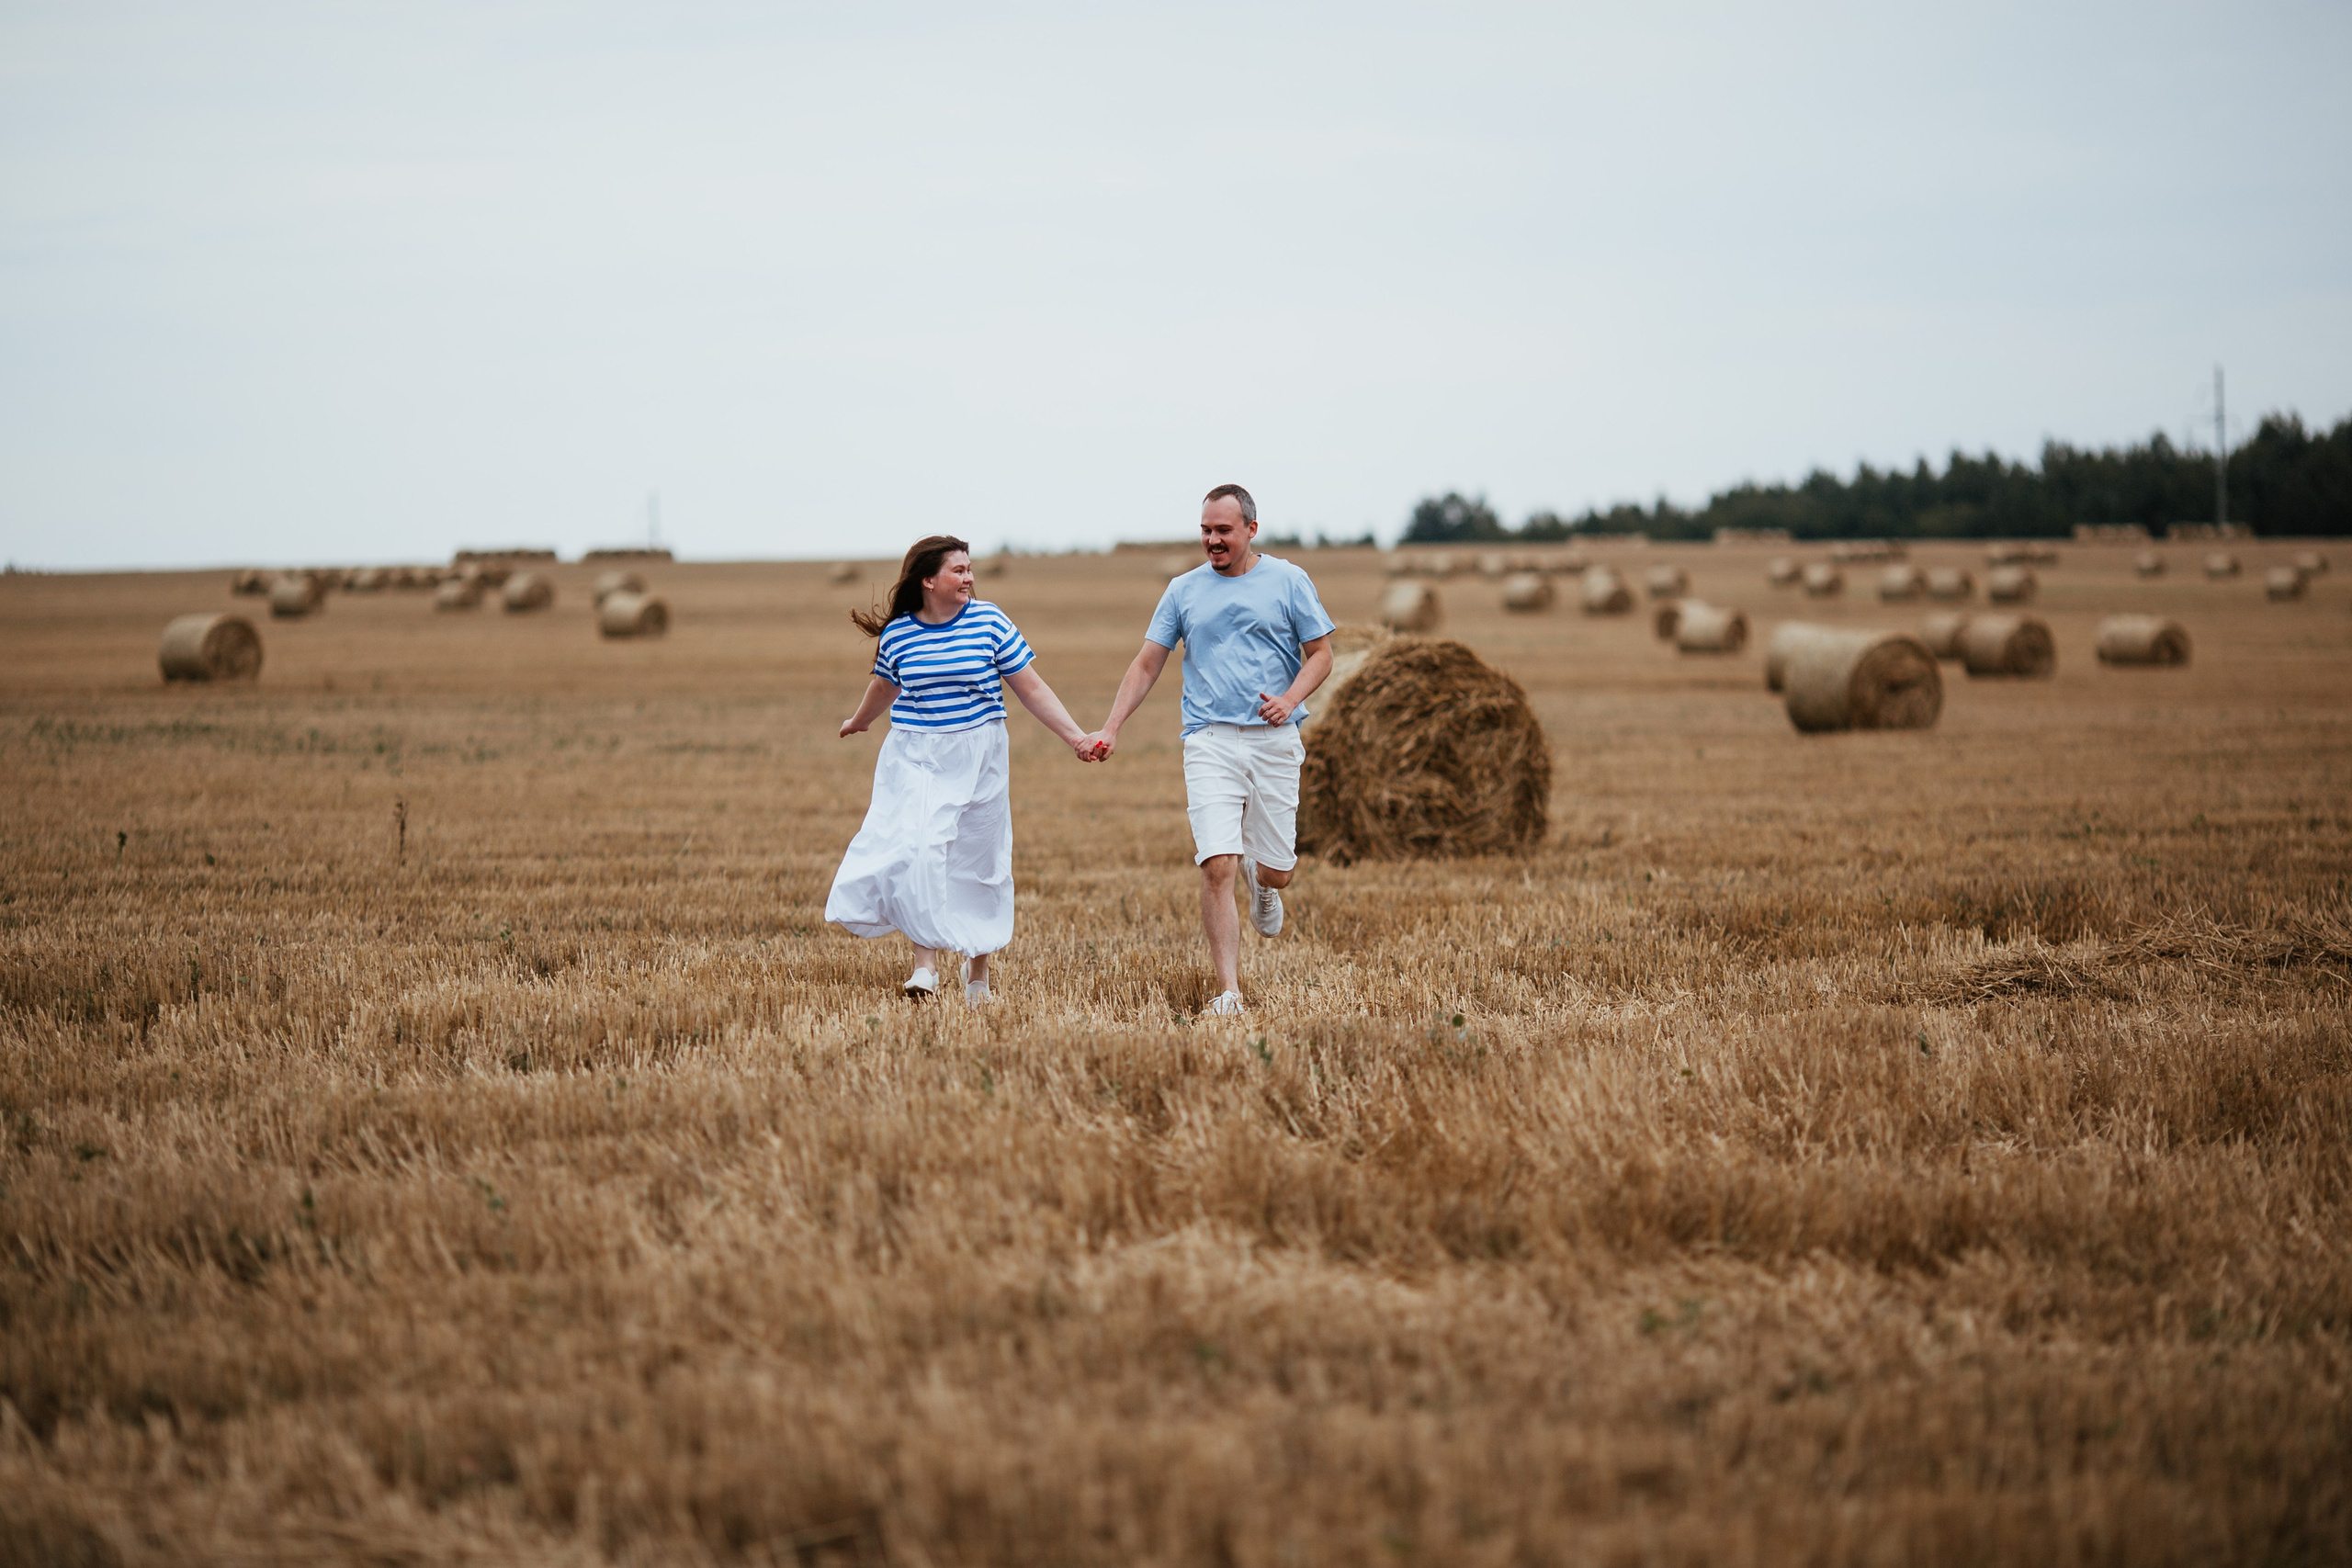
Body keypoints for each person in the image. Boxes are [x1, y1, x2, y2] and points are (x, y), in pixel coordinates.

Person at [1087, 484, 1334, 1016]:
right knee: (1216, 865)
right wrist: (1112, 725)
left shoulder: (1289, 581)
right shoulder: (1182, 590)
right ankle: (1229, 992)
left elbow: (1321, 654)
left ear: (1250, 529)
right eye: (1205, 530)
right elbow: (1147, 662)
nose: (1212, 540)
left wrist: (1291, 699)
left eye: (1223, 530)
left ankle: (1263, 884)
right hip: (1208, 739)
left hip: (1274, 740)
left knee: (1277, 871)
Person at [828, 536, 1096, 1003]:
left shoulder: (989, 621)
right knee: (920, 849)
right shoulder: (900, 634)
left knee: (979, 859)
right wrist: (860, 722)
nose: (969, 578)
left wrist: (1075, 736)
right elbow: (883, 688)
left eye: (970, 569)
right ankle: (925, 969)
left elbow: (1030, 688)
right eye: (959, 570)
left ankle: (978, 978)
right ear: (929, 580)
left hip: (980, 753)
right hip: (916, 755)